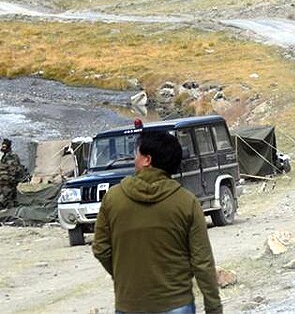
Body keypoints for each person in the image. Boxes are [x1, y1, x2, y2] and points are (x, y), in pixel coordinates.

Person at [93, 130, 222, 314]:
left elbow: (100, 248)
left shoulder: (113, 198)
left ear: (147, 160)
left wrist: (124, 276)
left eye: (136, 153)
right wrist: (213, 307)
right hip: (177, 304)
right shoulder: (187, 202)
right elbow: (202, 261)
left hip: (129, 304)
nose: (133, 158)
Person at [0, 138, 26, 209]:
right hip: (5, 182)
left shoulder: (12, 156)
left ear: (8, 147)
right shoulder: (4, 156)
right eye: (2, 146)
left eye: (4, 146)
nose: (2, 148)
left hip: (8, 182)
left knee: (6, 198)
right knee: (10, 197)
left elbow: (14, 170)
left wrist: (11, 180)